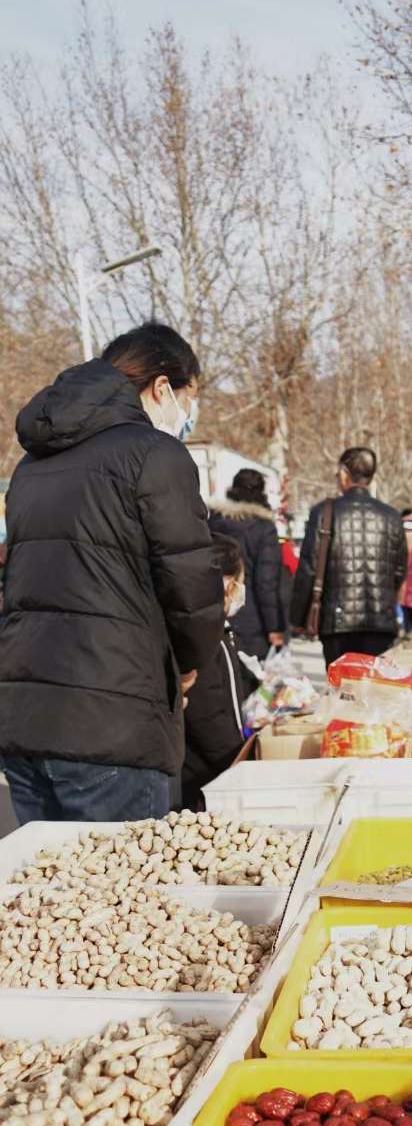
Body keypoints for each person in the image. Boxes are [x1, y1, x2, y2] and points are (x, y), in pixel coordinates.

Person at [0, 322, 221, 823]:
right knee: (126, 895)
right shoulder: (155, 455)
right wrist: (187, 664)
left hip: (26, 721)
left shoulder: (33, 465)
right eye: (189, 395)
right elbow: (191, 588)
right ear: (163, 387)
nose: (187, 412)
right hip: (113, 726)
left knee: (54, 898)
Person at [290, 446, 408, 669]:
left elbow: (308, 569)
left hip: (336, 623)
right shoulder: (391, 516)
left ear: (344, 474)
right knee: (377, 691)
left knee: (341, 695)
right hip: (380, 621)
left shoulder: (323, 513)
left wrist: (297, 619)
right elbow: (400, 571)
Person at [180, 536, 257, 809]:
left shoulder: (221, 631)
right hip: (201, 779)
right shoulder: (204, 636)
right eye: (241, 581)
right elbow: (207, 713)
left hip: (215, 769)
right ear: (228, 584)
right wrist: (239, 762)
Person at [209, 469, 284, 663]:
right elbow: (266, 582)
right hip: (253, 620)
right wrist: (274, 627)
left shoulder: (213, 522)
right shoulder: (264, 528)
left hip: (215, 611)